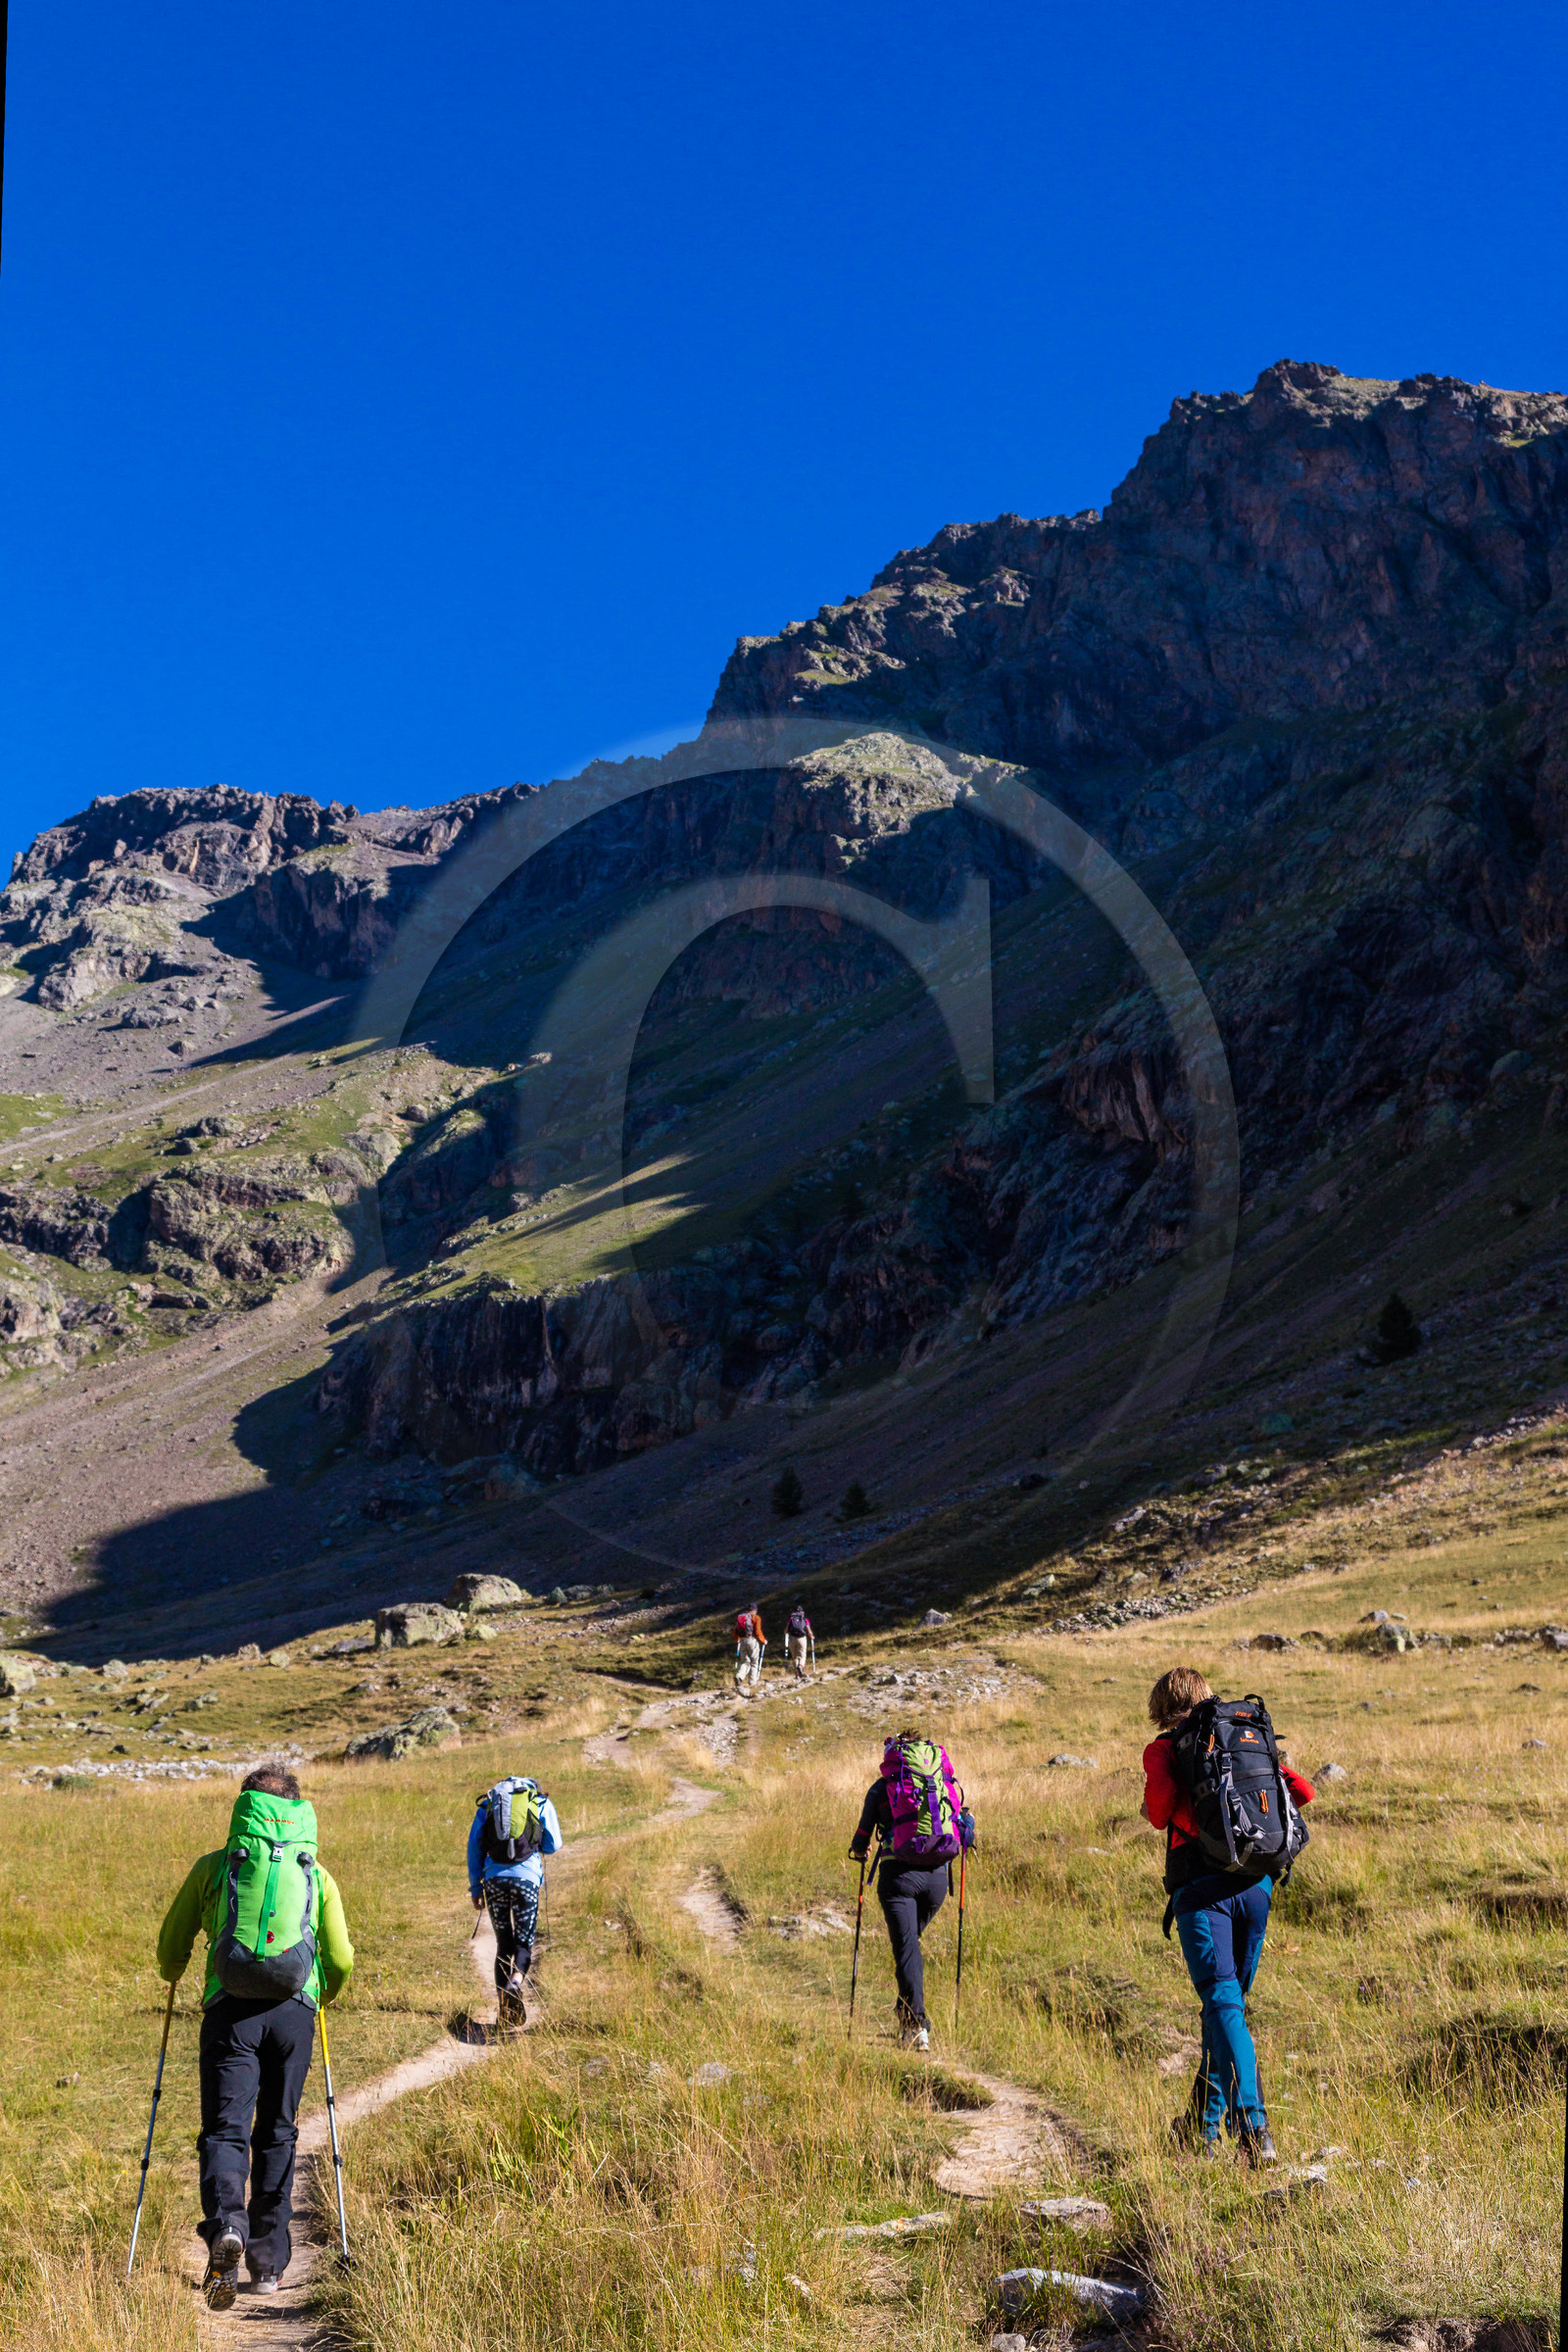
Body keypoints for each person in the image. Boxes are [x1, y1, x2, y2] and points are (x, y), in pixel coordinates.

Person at [157, 1762, 355, 2308]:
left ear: (243, 1810)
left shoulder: (216, 1867)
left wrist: (173, 1972)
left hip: (229, 2011)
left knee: (225, 2130)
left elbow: (170, 1945)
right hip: (294, 2014)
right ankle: (268, 2265)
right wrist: (323, 1996)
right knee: (278, 2131)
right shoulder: (316, 1872)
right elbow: (339, 1957)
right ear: (295, 1811)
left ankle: (227, 2229)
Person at [1142, 1666, 1314, 2167]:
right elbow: (1301, 1793)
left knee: (1223, 2005)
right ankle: (1201, 2130)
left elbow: (1157, 1812)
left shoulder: (1167, 1747)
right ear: (1206, 1696)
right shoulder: (1242, 1734)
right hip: (1258, 1886)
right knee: (1227, 2009)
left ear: (1163, 1706)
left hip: (1202, 1892)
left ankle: (1254, 2127)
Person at [848, 1733, 967, 2051]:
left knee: (907, 1950)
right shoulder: (942, 1781)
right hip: (937, 1882)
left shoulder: (882, 1787)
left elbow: (861, 1839)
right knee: (908, 1948)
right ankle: (906, 2017)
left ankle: (917, 2029)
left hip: (898, 1879)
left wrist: (861, 1850)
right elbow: (959, 1823)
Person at [468, 1773, 564, 2030]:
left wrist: (476, 1887)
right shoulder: (539, 1801)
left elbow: (475, 1846)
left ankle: (503, 2010)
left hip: (494, 1881)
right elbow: (553, 1844)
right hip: (527, 1881)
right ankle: (516, 1982)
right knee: (523, 1942)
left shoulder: (490, 1803)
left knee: (504, 1943)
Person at [734, 1603, 765, 1693]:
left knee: (745, 1661)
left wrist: (737, 1639)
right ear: (755, 1610)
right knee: (755, 1661)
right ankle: (752, 1682)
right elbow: (758, 1631)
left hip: (742, 1641)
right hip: (751, 1640)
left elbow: (735, 1629)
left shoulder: (741, 1617)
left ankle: (739, 1676)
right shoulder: (756, 1617)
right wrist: (763, 1640)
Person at [784, 1602, 814, 1681]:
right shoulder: (805, 1619)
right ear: (802, 1611)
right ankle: (800, 1666)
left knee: (795, 1657)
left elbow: (786, 1630)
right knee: (802, 1655)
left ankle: (797, 1674)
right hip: (802, 1638)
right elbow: (809, 1631)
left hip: (792, 1639)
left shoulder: (791, 1619)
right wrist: (811, 1636)